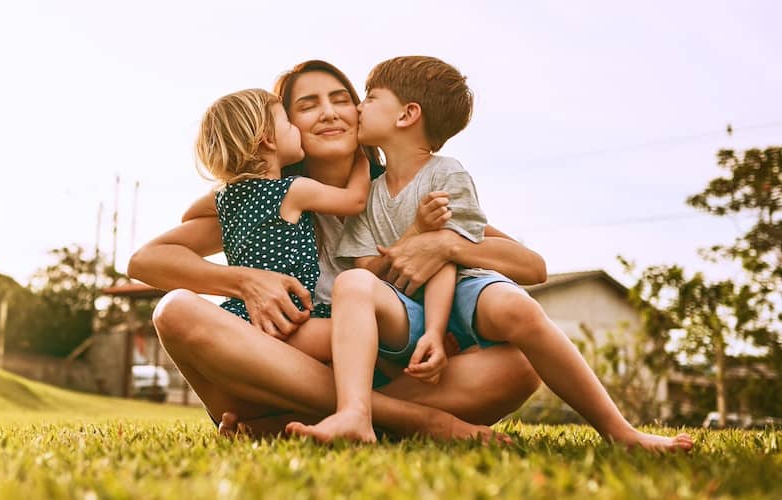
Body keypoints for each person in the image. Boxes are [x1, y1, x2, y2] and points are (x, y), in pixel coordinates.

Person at [287, 56, 693, 452]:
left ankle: (618, 429)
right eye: (308, 105)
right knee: (351, 284)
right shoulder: (335, 197)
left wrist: (440, 269)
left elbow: (495, 262)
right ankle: (364, 416)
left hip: (455, 293)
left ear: (407, 115)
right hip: (397, 328)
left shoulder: (442, 177)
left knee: (516, 310)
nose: (354, 109)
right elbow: (369, 274)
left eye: (363, 98)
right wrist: (416, 238)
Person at [128, 60, 546, 441]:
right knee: (175, 310)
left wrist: (445, 242)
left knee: (519, 367)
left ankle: (299, 422)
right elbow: (147, 260)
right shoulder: (269, 199)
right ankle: (410, 421)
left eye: (342, 100)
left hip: (392, 374)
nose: (329, 112)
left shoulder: (405, 193)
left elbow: (531, 266)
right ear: (280, 128)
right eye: (308, 106)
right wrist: (243, 281)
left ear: (360, 113)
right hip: (275, 372)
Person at [193, 87, 370, 360]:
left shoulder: (225, 198)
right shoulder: (293, 190)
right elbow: (355, 201)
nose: (295, 129)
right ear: (268, 140)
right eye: (287, 123)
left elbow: (189, 216)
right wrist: (362, 160)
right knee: (370, 338)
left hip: (242, 315)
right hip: (292, 320)